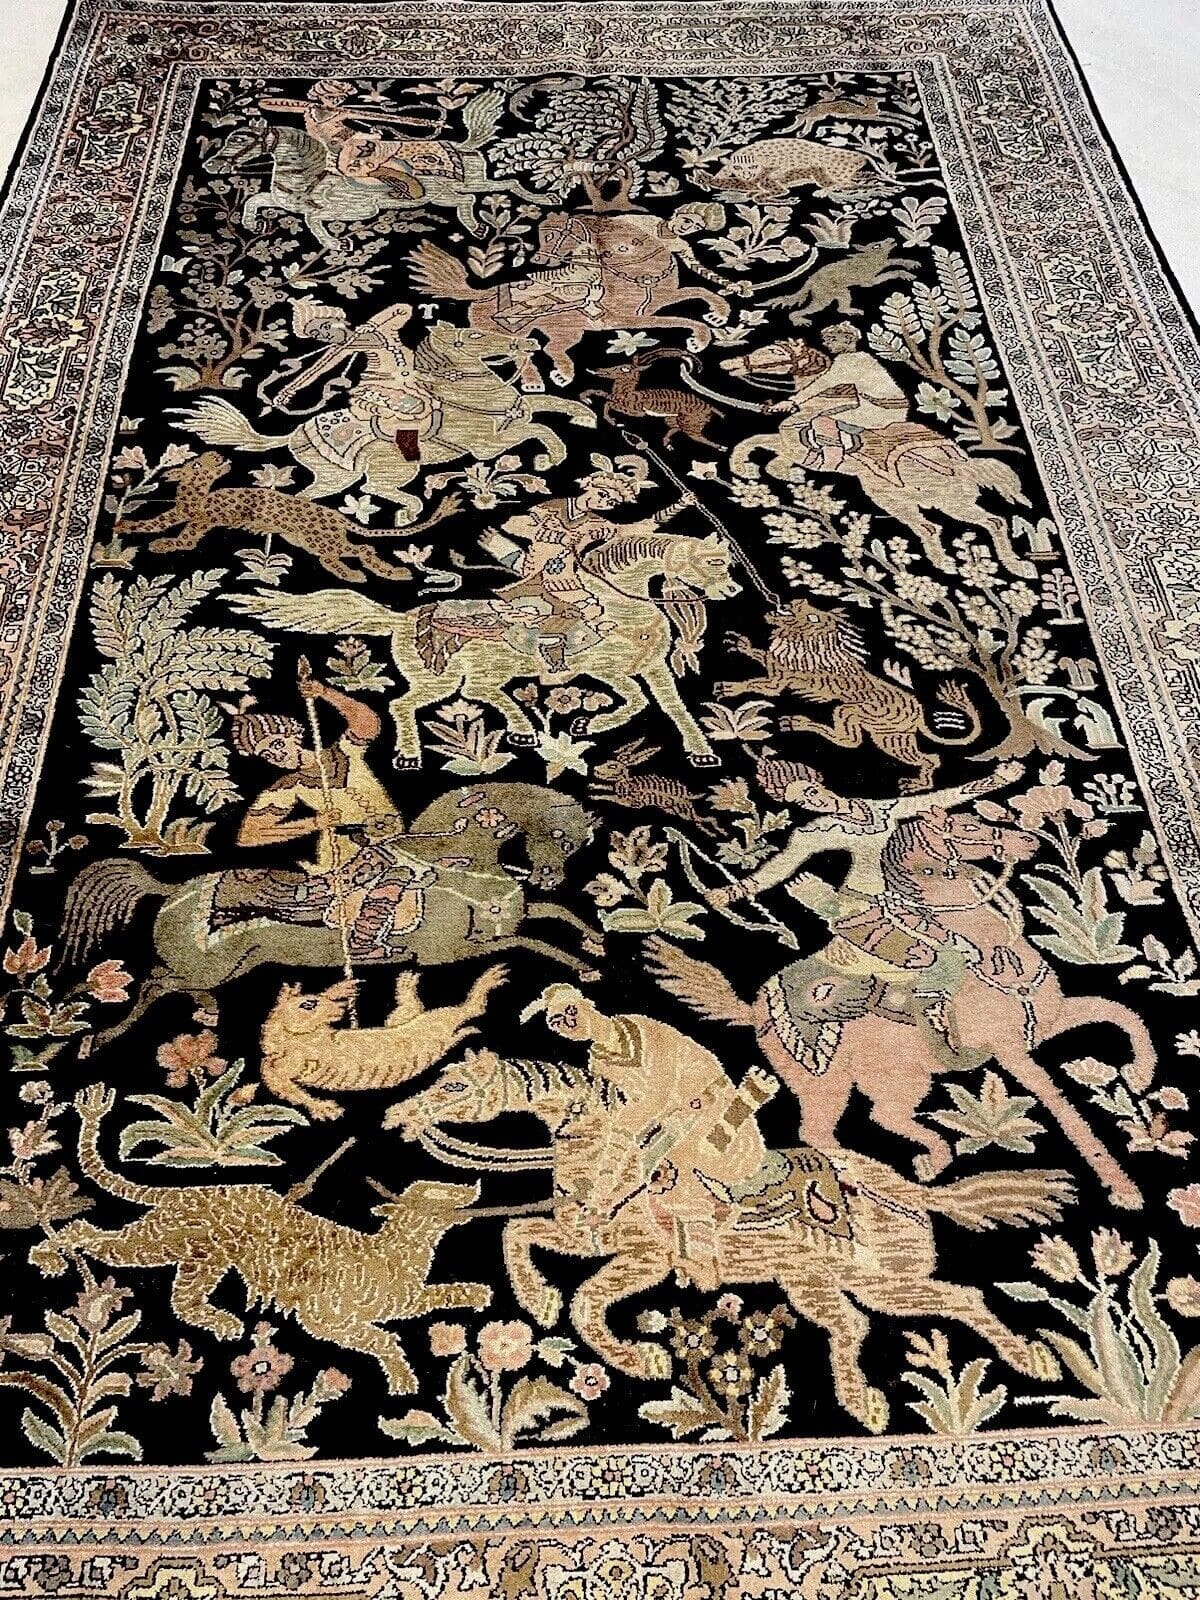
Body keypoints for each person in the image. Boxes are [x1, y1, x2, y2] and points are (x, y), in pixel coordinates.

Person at [520, 984, 775, 1292]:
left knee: (686, 1166)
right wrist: (601, 1196)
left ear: (586, 1004)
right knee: (653, 1173)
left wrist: (625, 1131)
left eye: (569, 1012)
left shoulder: (644, 1030)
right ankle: (690, 1250)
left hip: (711, 1108)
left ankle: (702, 1259)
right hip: (674, 1125)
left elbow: (658, 1095)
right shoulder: (598, 1063)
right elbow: (628, 1117)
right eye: (556, 1022)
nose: (568, 1024)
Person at [231, 665, 432, 956]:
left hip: (395, 838)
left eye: (276, 744)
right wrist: (313, 823)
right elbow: (249, 835)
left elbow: (368, 723)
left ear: (292, 733)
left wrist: (325, 692)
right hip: (348, 853)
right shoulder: (287, 787)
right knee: (394, 877)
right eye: (267, 754)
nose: (277, 755)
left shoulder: (344, 753)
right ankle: (362, 944)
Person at [490, 456, 688, 670]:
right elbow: (513, 525)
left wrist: (679, 505)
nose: (603, 502)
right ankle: (549, 652)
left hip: (565, 576)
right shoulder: (553, 508)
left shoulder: (596, 524)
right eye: (602, 494)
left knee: (592, 608)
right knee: (572, 608)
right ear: (589, 485)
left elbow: (635, 529)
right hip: (537, 570)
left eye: (611, 502)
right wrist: (558, 537)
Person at [273, 298, 440, 462]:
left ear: (340, 320)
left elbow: (403, 308)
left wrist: (372, 324)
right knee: (410, 406)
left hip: (413, 380)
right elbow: (315, 370)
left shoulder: (383, 329)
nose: (325, 334)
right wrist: (289, 390)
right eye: (317, 335)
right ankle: (408, 454)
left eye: (326, 326)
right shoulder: (340, 349)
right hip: (379, 386)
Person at [771, 322, 911, 480]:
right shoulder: (862, 357)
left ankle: (831, 462)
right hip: (881, 406)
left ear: (848, 339)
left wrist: (794, 401)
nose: (826, 344)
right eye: (826, 340)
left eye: (832, 339)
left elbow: (822, 384)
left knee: (821, 421)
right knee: (833, 411)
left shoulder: (848, 361)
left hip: (880, 411)